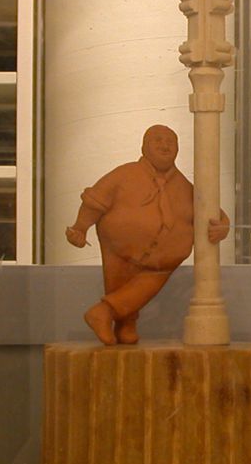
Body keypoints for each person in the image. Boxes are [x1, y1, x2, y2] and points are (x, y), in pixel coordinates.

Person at [67, 124, 229, 345]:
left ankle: (105, 313)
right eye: (158, 140)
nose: (165, 145)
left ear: (178, 149)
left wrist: (223, 226)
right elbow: (95, 201)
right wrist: (80, 227)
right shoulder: (124, 174)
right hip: (118, 246)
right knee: (118, 282)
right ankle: (124, 325)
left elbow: (212, 211)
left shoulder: (185, 187)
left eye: (171, 142)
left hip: (161, 261)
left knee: (143, 285)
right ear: (144, 147)